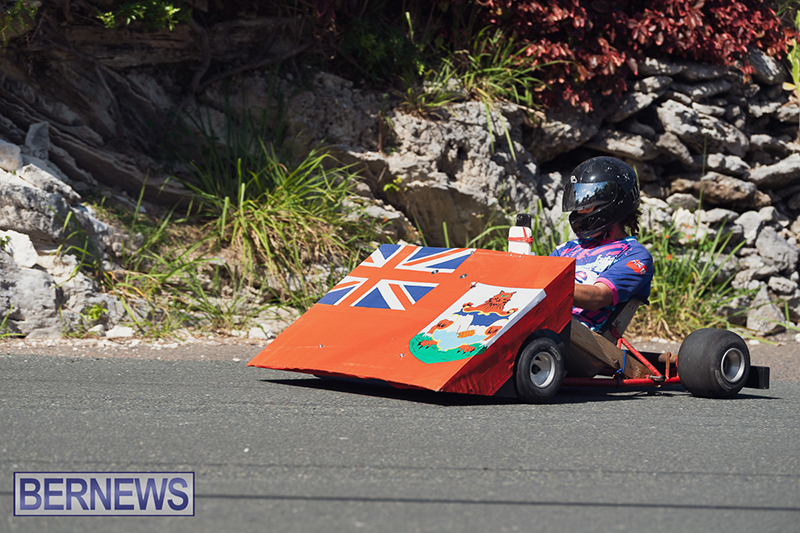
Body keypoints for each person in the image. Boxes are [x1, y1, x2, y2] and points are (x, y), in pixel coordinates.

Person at [550, 156, 654, 332]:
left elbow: (598, 297)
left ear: (611, 203)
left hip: (580, 338)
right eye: (577, 201)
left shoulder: (634, 257)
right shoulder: (566, 249)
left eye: (587, 202)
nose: (579, 211)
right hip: (545, 323)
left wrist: (545, 287)